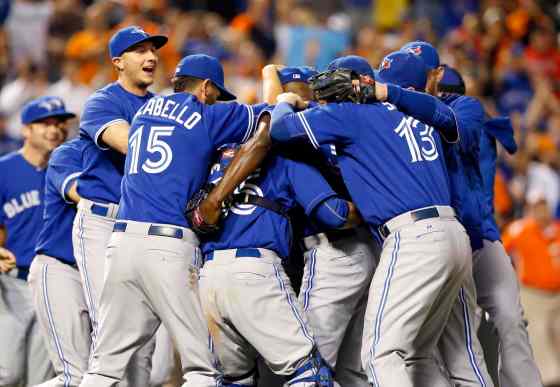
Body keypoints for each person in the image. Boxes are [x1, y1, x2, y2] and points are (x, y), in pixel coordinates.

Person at [78, 54, 265, 387]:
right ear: (206, 87)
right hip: (167, 246)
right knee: (203, 368)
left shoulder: (144, 113)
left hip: (121, 243)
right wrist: (281, 88)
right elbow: (272, 117)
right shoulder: (206, 114)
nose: (218, 101)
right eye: (217, 94)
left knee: (104, 367)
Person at [388, 41, 543, 387]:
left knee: (509, 320)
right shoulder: (403, 122)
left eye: (444, 90)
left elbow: (457, 128)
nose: (439, 95)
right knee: (449, 338)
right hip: (438, 242)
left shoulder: (467, 110)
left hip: (479, 238)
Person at [373, 48, 494, 386]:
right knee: (419, 356)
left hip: (456, 233)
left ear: (437, 74)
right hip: (436, 239)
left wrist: (391, 94)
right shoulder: (395, 116)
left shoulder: (456, 107)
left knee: (462, 352)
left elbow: (459, 129)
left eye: (426, 71)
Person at [199, 138, 359, 386]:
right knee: (310, 374)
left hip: (207, 278)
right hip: (254, 272)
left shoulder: (212, 161)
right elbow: (333, 214)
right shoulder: (285, 158)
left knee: (234, 379)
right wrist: (368, 211)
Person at [263, 59, 379, 387]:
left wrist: (271, 78)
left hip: (334, 252)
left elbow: (275, 119)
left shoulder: (300, 131)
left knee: (311, 365)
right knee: (355, 370)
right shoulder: (352, 124)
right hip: (372, 249)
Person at [72, 25, 167, 386]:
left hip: (137, 226)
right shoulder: (104, 101)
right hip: (100, 222)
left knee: (142, 337)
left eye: (153, 51)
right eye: (140, 51)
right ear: (118, 61)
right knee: (111, 327)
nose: (151, 57)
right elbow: (135, 147)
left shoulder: (159, 105)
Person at [0, 96, 73, 385]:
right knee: (8, 373)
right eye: (44, 124)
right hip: (13, 283)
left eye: (59, 123)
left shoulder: (70, 172)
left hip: (53, 285)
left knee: (41, 378)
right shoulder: (4, 170)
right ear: (26, 130)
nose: (54, 130)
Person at [28, 137, 90, 387]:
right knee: (74, 377)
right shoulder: (70, 153)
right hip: (62, 270)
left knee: (108, 376)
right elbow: (80, 194)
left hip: (99, 278)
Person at [502, 191, 560, 385]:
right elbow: (499, 252)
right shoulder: (519, 230)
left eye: (543, 205)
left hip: (557, 294)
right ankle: (550, 382)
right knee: (539, 335)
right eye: (537, 206)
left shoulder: (557, 229)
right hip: (533, 294)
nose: (541, 210)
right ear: (529, 209)